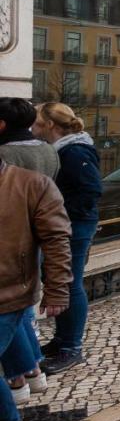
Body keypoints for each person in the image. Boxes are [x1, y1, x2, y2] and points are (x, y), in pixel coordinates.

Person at [0, 156, 72, 421]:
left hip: (10, 291)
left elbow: (56, 239)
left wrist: (57, 289)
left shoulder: (32, 184)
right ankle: (27, 375)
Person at [32, 103, 102, 375]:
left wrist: (58, 212)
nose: (33, 128)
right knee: (60, 282)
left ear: (50, 124)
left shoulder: (74, 151)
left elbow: (92, 190)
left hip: (75, 227)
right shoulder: (64, 150)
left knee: (69, 284)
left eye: (37, 122)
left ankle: (71, 347)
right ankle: (61, 341)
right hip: (69, 225)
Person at [0, 98, 60, 399]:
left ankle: (18, 378)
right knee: (19, 307)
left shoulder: (5, 153)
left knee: (12, 308)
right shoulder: (48, 150)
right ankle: (31, 371)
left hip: (12, 235)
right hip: (38, 231)